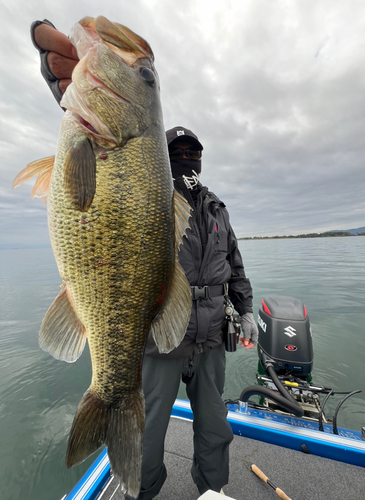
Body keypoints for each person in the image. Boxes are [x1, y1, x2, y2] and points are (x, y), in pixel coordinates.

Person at [31, 20, 259, 499]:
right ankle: (143, 489)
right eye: (177, 152)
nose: (187, 159)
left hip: (212, 336)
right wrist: (79, 103)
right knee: (148, 429)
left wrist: (247, 310)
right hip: (159, 338)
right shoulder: (159, 190)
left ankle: (212, 492)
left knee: (215, 428)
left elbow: (235, 265)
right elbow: (120, 180)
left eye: (193, 152)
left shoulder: (216, 208)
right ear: (166, 156)